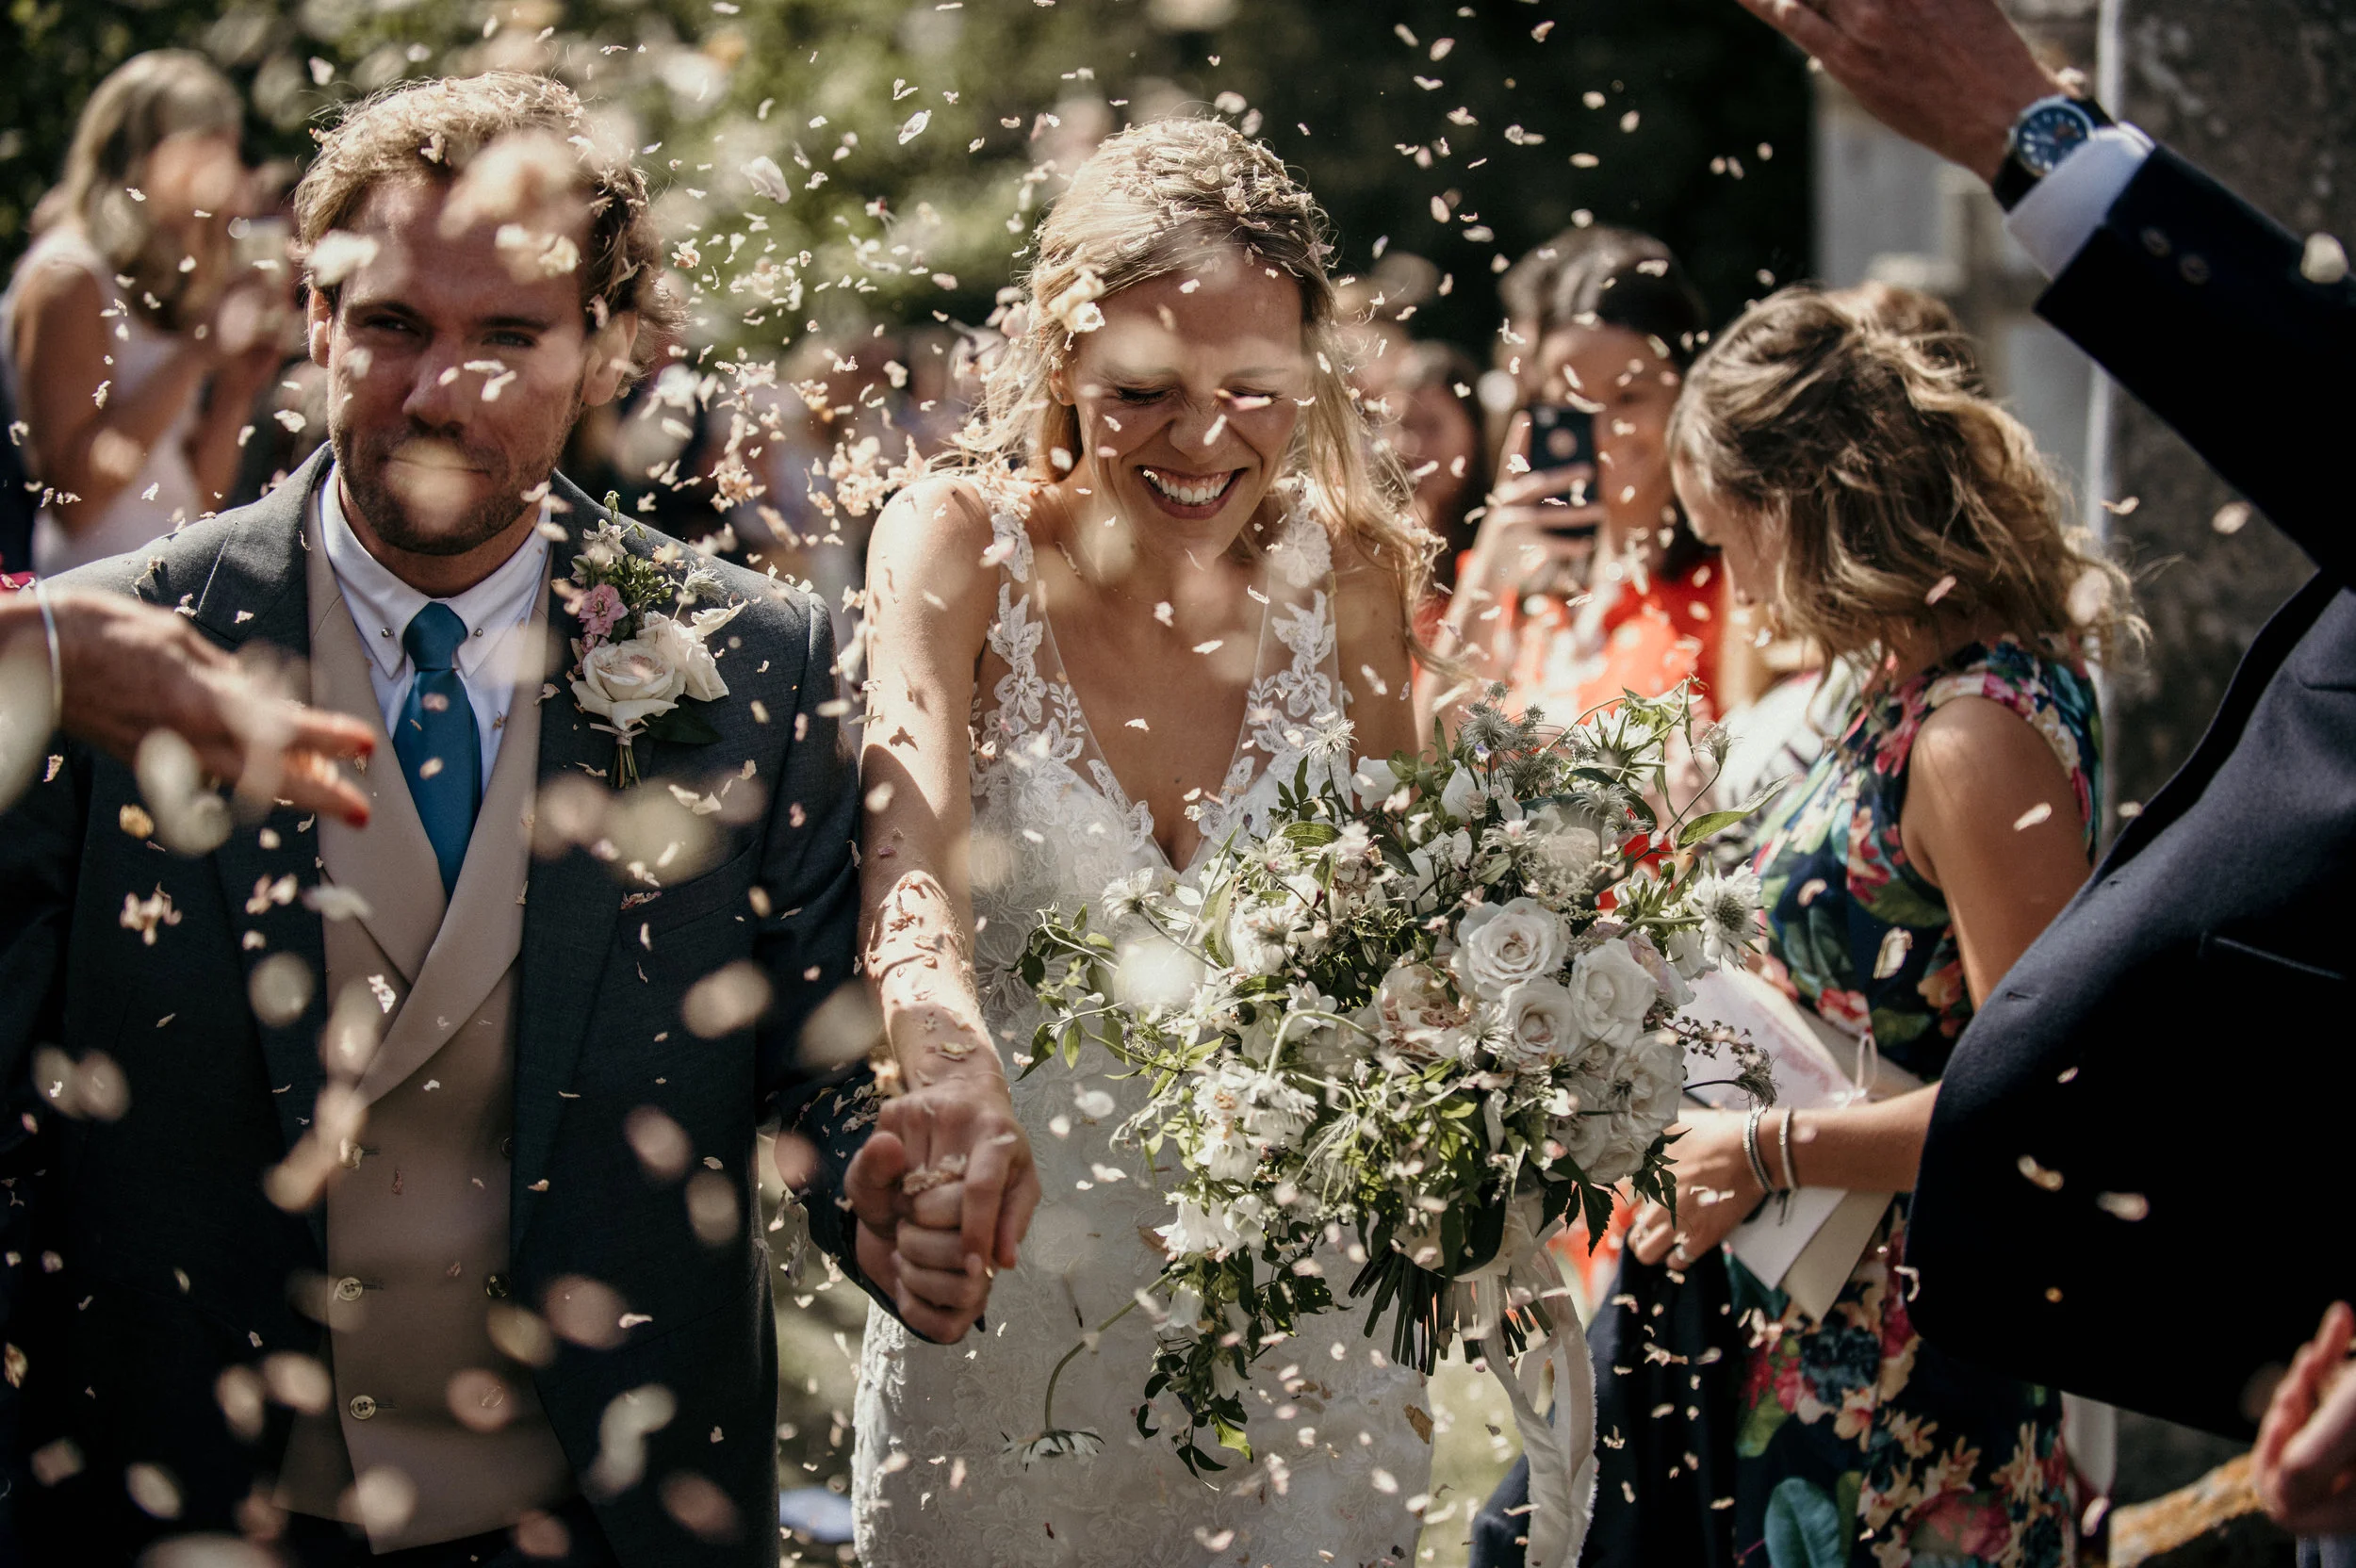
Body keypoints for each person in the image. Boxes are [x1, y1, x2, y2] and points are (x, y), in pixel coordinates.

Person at [0, 73, 990, 1566]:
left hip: (597, 1510)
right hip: (187, 1500)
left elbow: (810, 1041)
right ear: (315, 322)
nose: (438, 388)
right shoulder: (106, 651)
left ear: (609, 356)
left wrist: (876, 1165)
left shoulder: (755, 660)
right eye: (392, 323)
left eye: (509, 337)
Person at [1730, 0, 2356, 1456]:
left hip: (1931, 1336)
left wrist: (2037, 136)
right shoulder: (1877, 699)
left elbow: (2018, 1023)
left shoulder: (1968, 729)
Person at [1475, 283, 2141, 1567]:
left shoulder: (1973, 735)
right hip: (1792, 1301)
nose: (1733, 580)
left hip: (1905, 1358)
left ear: (1802, 511)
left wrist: (1767, 1149)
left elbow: (2042, 1101)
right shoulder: (1887, 680)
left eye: (1732, 541)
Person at [851, 115, 1431, 1564]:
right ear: (1062, 359)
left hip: (1307, 1311)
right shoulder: (956, 542)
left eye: (1256, 388)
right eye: (1146, 391)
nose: (1204, 437)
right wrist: (948, 1068)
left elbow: (1410, 919)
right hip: (1015, 1268)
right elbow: (907, 856)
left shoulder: (1349, 573)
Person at [1423, 229, 1759, 732]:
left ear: (1687, 394)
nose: (1603, 430)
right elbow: (1427, 764)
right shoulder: (1516, 582)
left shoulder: (1737, 587)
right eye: (1573, 403)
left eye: (1630, 398)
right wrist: (1491, 569)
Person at [0, 51, 290, 576]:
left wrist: (235, 389)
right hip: (90, 592)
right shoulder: (70, 277)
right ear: (140, 159)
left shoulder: (161, 282)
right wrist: (197, 354)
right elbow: (76, 500)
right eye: (204, 155)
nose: (226, 183)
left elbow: (199, 506)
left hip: (170, 583)